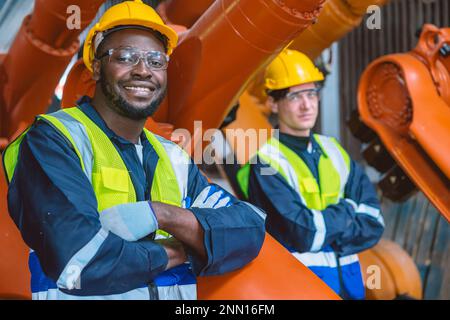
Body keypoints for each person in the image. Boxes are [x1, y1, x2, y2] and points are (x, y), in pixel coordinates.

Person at [2, 0, 265, 300]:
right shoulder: (52, 140)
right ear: (97, 67)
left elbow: (249, 228)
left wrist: (162, 214)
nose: (143, 70)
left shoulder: (172, 156)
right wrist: (186, 249)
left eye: (156, 60)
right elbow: (79, 262)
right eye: (126, 57)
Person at [237, 49, 385, 299]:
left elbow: (375, 222)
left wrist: (326, 228)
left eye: (311, 94)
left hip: (349, 288)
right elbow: (304, 235)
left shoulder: (335, 151)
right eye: (295, 96)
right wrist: (349, 209)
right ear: (273, 102)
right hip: (298, 288)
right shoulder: (265, 162)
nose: (307, 105)